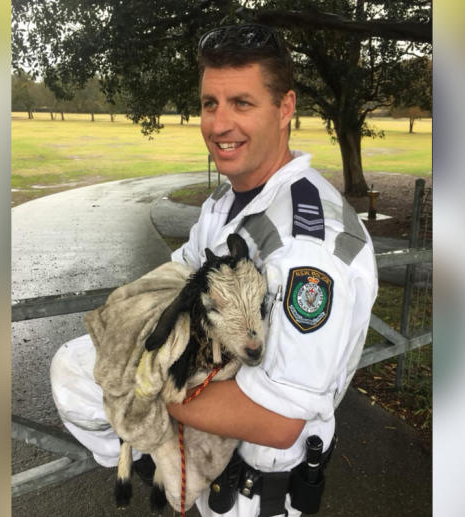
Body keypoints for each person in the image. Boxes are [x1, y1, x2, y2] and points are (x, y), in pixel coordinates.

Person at [51, 24, 378, 517]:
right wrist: (130, 327)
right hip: (205, 459)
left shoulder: (310, 251)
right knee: (75, 367)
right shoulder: (226, 201)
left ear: (285, 107)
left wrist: (143, 383)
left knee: (97, 374)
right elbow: (180, 273)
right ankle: (156, 463)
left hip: (259, 493)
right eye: (210, 104)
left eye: (242, 103)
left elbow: (275, 420)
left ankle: (154, 453)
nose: (219, 124)